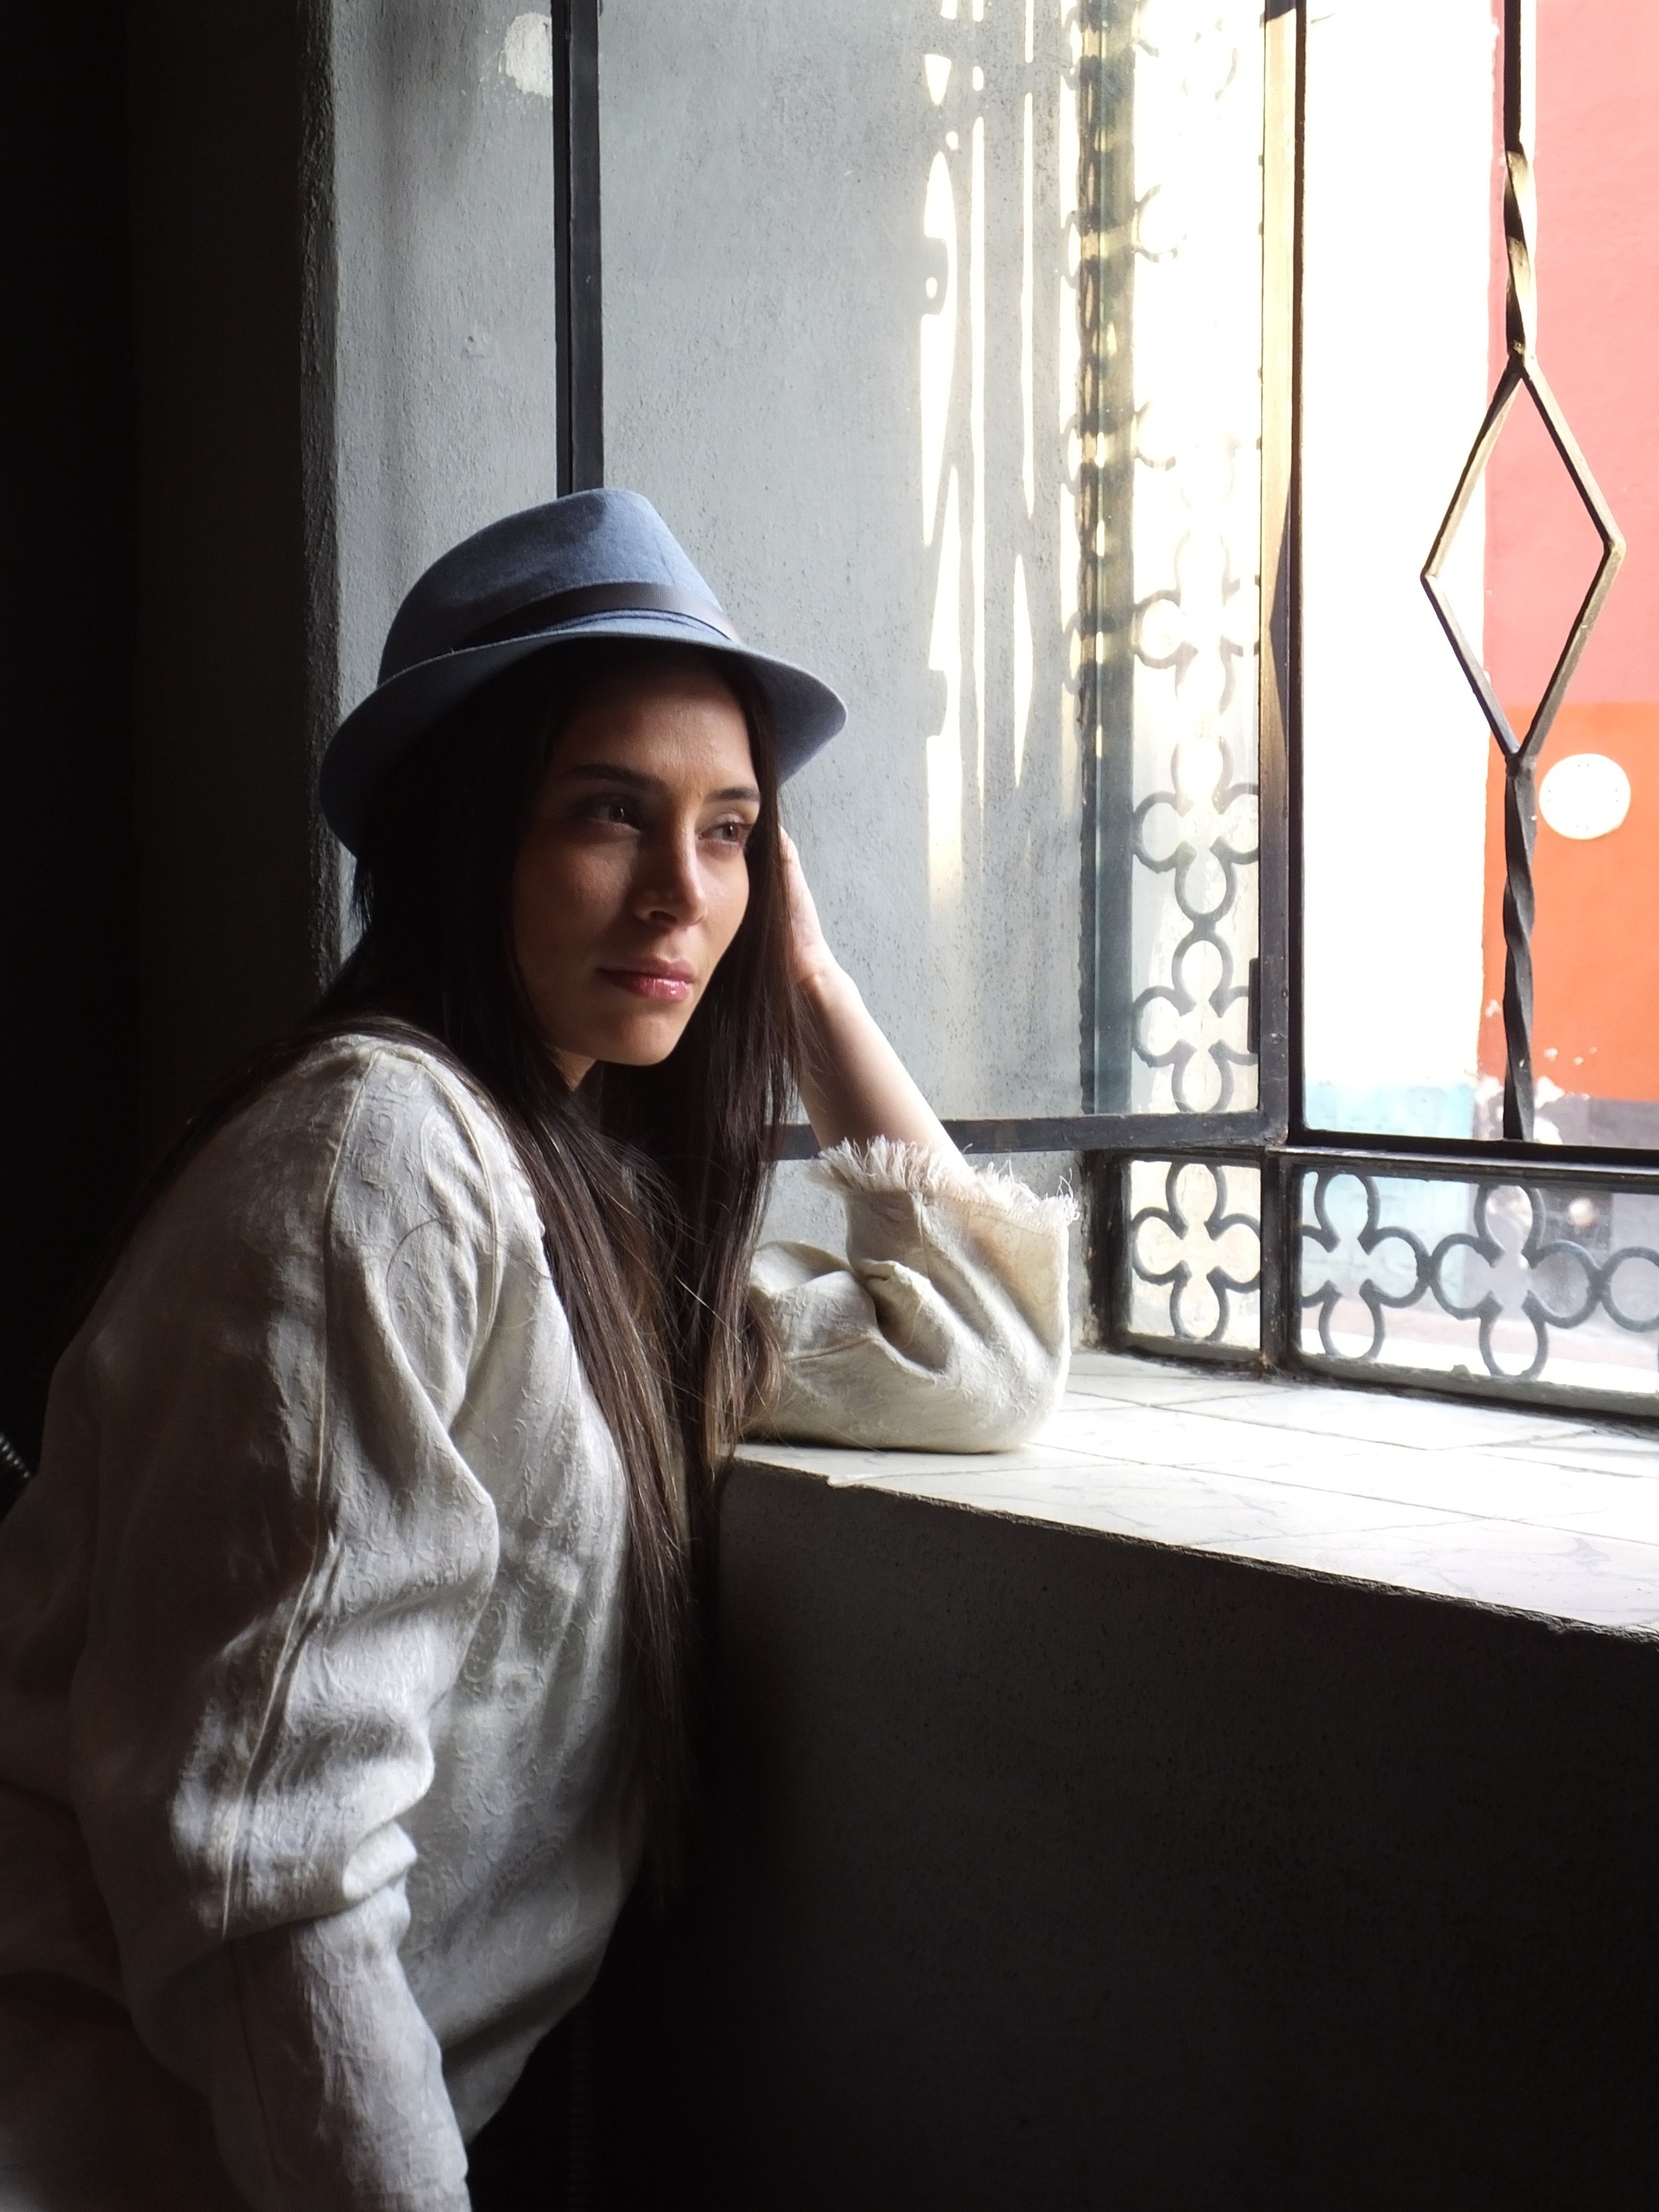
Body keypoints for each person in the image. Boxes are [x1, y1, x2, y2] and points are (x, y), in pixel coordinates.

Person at [0, 490, 1072, 2211]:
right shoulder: (381, 1159)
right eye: (604, 814)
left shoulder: (586, 1216)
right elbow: (273, 1889)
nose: (678, 891)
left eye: (729, 832)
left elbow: (977, 1359)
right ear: (457, 835)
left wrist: (799, 978)